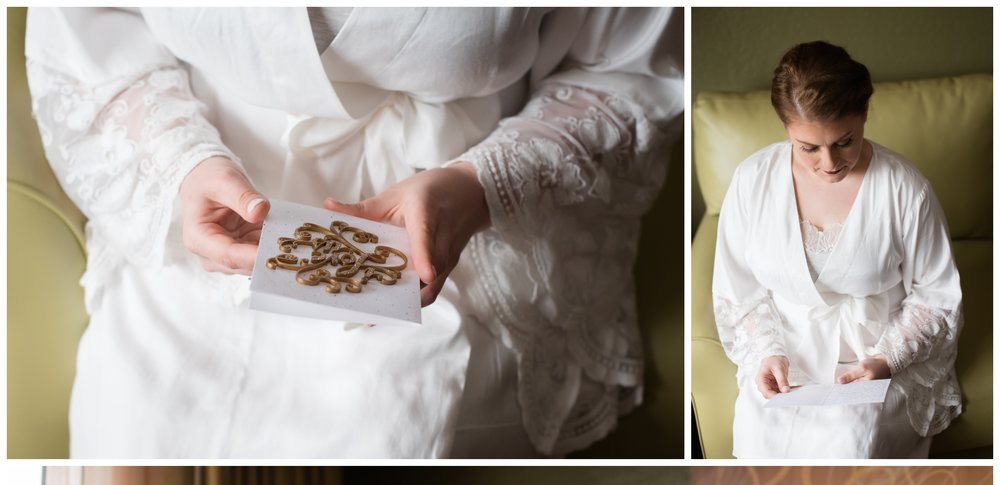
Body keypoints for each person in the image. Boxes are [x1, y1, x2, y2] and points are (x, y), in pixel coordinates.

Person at [25, 8, 682, 459]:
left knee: (396, 415)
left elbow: (634, 68)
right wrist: (180, 162)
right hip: (197, 217)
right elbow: (83, 27)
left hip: (462, 239)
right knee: (136, 425)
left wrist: (481, 185)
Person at [712, 41, 963, 460]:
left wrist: (885, 360)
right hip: (785, 347)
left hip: (877, 347)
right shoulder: (752, 181)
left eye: (844, 142)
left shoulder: (906, 189)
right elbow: (739, 288)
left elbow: (936, 296)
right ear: (786, 128)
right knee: (761, 444)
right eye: (808, 147)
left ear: (864, 115)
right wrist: (767, 352)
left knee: (850, 441)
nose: (829, 163)